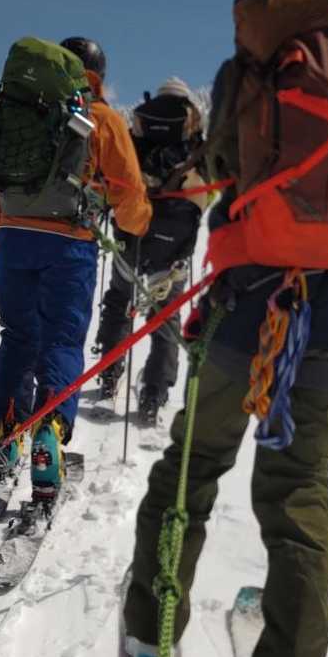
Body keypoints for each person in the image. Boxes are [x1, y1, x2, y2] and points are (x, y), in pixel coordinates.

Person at [122, 0, 328, 657]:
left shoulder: (244, 72)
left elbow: (219, 161)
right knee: (300, 492)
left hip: (245, 304)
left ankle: (149, 645)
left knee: (191, 469)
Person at [0, 36, 151, 495]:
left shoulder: (17, 112)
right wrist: (136, 225)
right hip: (70, 244)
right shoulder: (100, 118)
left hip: (14, 240)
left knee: (17, 337)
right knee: (62, 341)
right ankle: (49, 437)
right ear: (98, 75)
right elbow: (129, 194)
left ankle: (7, 433)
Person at [92, 78, 211, 425]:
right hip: (175, 238)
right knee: (166, 313)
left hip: (132, 228)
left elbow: (118, 170)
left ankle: (110, 371)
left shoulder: (139, 124)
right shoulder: (194, 129)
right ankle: (154, 393)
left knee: (119, 298)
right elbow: (207, 184)